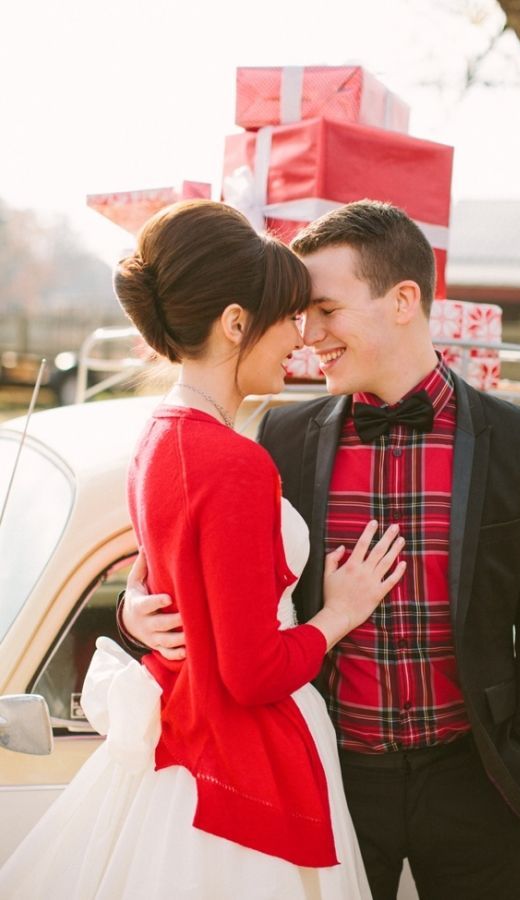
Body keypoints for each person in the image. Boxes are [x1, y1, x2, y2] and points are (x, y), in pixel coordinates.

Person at [122, 200, 520, 900]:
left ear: (402, 301)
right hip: (334, 778)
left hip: (475, 784)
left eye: (326, 310)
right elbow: (196, 550)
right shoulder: (278, 437)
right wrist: (134, 605)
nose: (307, 335)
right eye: (300, 315)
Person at [0, 199, 413, 900]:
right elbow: (250, 674)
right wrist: (339, 613)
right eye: (287, 315)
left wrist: (135, 604)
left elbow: (177, 565)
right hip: (243, 758)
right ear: (233, 323)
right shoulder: (234, 462)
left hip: (182, 745)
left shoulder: (158, 435)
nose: (300, 334)